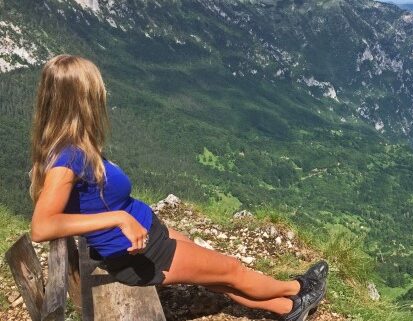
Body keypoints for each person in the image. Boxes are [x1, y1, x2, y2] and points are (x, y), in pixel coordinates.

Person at [28, 54, 328, 321]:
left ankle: (288, 309)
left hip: (148, 233)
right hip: (138, 253)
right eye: (97, 89)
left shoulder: (71, 144)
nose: (104, 93)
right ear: (81, 99)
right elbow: (42, 227)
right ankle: (302, 289)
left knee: (217, 277)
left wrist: (126, 217)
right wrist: (119, 218)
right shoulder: (67, 157)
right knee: (233, 269)